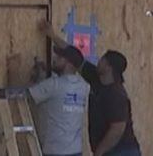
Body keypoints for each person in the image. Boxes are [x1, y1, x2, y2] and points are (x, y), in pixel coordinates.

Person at [40, 21, 141, 156]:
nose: (99, 61)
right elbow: (75, 56)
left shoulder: (116, 94)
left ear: (108, 67)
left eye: (102, 60)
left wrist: (99, 152)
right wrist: (52, 36)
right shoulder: (96, 79)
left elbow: (117, 129)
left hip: (122, 151)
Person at [28, 44, 90, 156]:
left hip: (55, 149)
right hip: (75, 149)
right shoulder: (83, 86)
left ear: (69, 64)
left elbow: (28, 95)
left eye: (60, 58)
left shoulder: (53, 85)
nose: (54, 59)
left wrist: (34, 76)